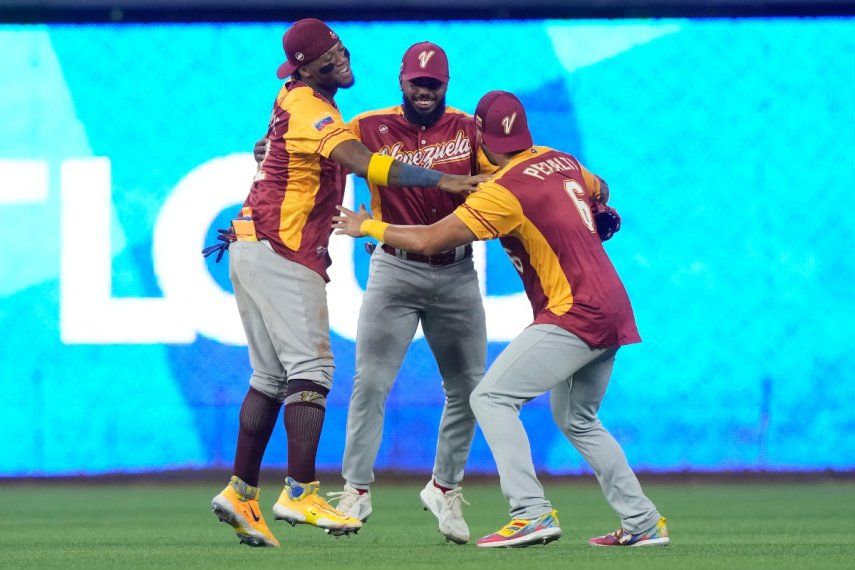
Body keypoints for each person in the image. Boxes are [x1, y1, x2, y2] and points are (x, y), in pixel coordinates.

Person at [332, 90, 670, 549]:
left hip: (573, 311)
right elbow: (602, 190)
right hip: (613, 304)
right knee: (579, 419)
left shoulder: (502, 192)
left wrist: (367, 227)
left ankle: (529, 512)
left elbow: (432, 239)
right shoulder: (559, 159)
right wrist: (589, 210)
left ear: (480, 136)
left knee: (489, 397)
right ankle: (642, 520)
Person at [209, 18, 482, 548]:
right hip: (281, 247)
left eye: (340, 46)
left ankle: (241, 491)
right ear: (308, 67)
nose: (342, 56)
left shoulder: (307, 102)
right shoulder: (312, 105)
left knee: (269, 377)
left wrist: (267, 151)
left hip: (255, 241)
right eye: (330, 53)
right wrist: (440, 177)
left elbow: (273, 147)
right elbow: (356, 159)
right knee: (311, 369)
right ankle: (302, 489)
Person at [326, 41, 498, 545]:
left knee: (470, 387)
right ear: (401, 81)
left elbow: (504, 176)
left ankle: (445, 487)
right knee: (370, 382)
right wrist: (268, 148)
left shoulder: (470, 129)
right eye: (417, 82)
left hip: (456, 271)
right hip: (393, 271)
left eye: (434, 84)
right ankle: (355, 489)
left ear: (447, 85)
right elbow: (316, 150)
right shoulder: (367, 126)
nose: (425, 92)